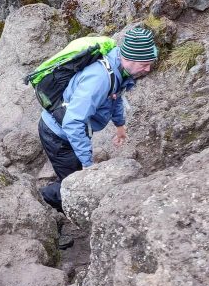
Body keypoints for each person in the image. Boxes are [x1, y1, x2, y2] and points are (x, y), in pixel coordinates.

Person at [38, 26, 158, 244]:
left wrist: (120, 125)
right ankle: (44, 200)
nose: (148, 69)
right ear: (128, 58)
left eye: (150, 63)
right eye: (145, 64)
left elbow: (115, 96)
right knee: (72, 184)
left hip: (67, 132)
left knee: (73, 173)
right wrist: (87, 164)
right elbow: (73, 123)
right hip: (58, 135)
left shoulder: (119, 69)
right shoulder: (99, 78)